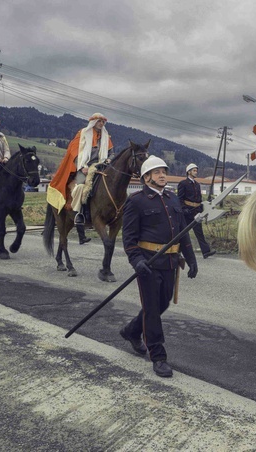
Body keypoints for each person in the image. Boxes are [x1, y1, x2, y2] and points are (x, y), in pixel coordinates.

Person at [119, 155, 197, 378]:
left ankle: (131, 331)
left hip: (170, 262)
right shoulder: (136, 201)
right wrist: (136, 261)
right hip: (148, 264)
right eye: (157, 172)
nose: (162, 175)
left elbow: (183, 232)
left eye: (163, 171)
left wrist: (191, 259)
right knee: (152, 309)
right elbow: (129, 238)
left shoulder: (173, 199)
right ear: (146, 177)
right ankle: (158, 356)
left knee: (162, 304)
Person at [47, 112, 113, 244]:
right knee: (80, 187)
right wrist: (81, 166)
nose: (101, 124)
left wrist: (109, 160)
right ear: (93, 122)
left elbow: (111, 152)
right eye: (99, 121)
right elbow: (74, 152)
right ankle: (79, 219)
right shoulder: (82, 134)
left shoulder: (106, 137)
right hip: (84, 168)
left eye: (103, 122)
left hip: (101, 167)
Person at [177, 163, 216, 259]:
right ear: (189, 172)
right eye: (194, 170)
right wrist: (184, 209)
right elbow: (180, 199)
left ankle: (206, 252)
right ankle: (176, 251)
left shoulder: (197, 185)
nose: (196, 172)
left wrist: (201, 210)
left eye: (196, 170)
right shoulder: (183, 184)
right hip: (187, 213)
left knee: (199, 233)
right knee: (183, 233)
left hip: (196, 212)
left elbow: (199, 198)